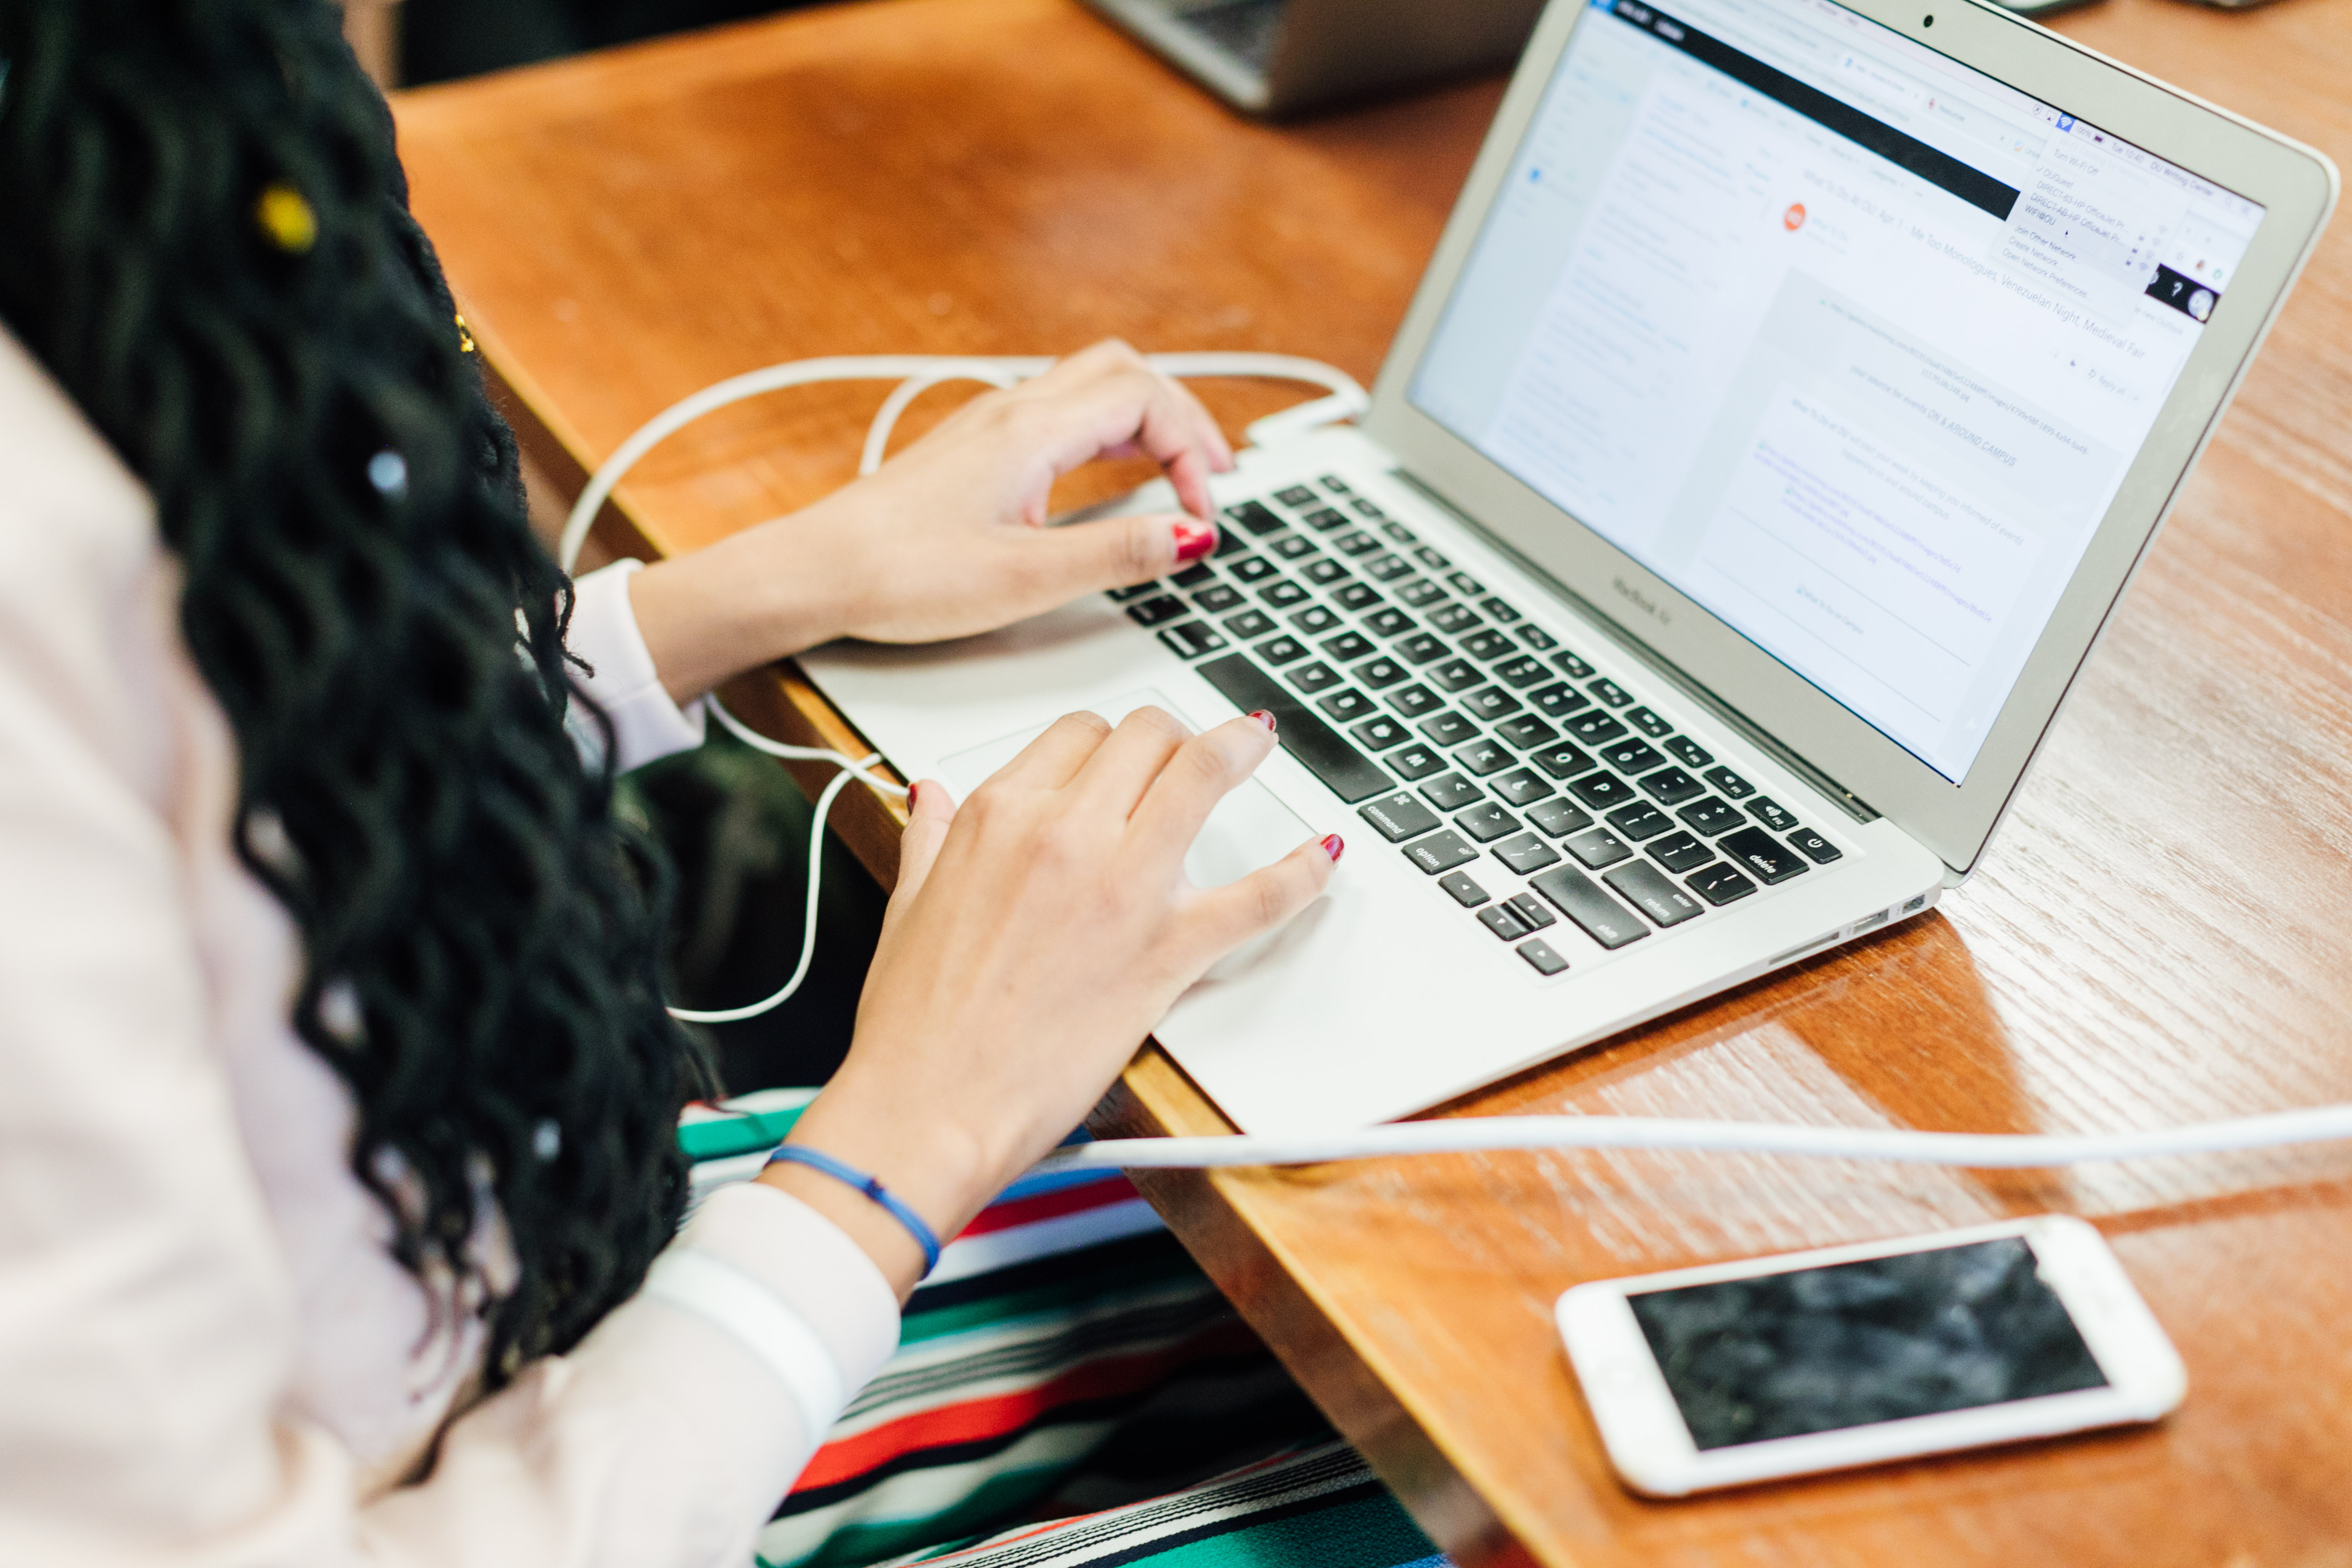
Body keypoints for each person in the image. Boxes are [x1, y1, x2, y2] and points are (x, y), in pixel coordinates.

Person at [0, 3, 1459, 1565]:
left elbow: (229, 780)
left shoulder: (138, 124)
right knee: (1456, 1417)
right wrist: (906, 1136)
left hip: (504, 1259)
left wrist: (759, 590)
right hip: (485, 1480)